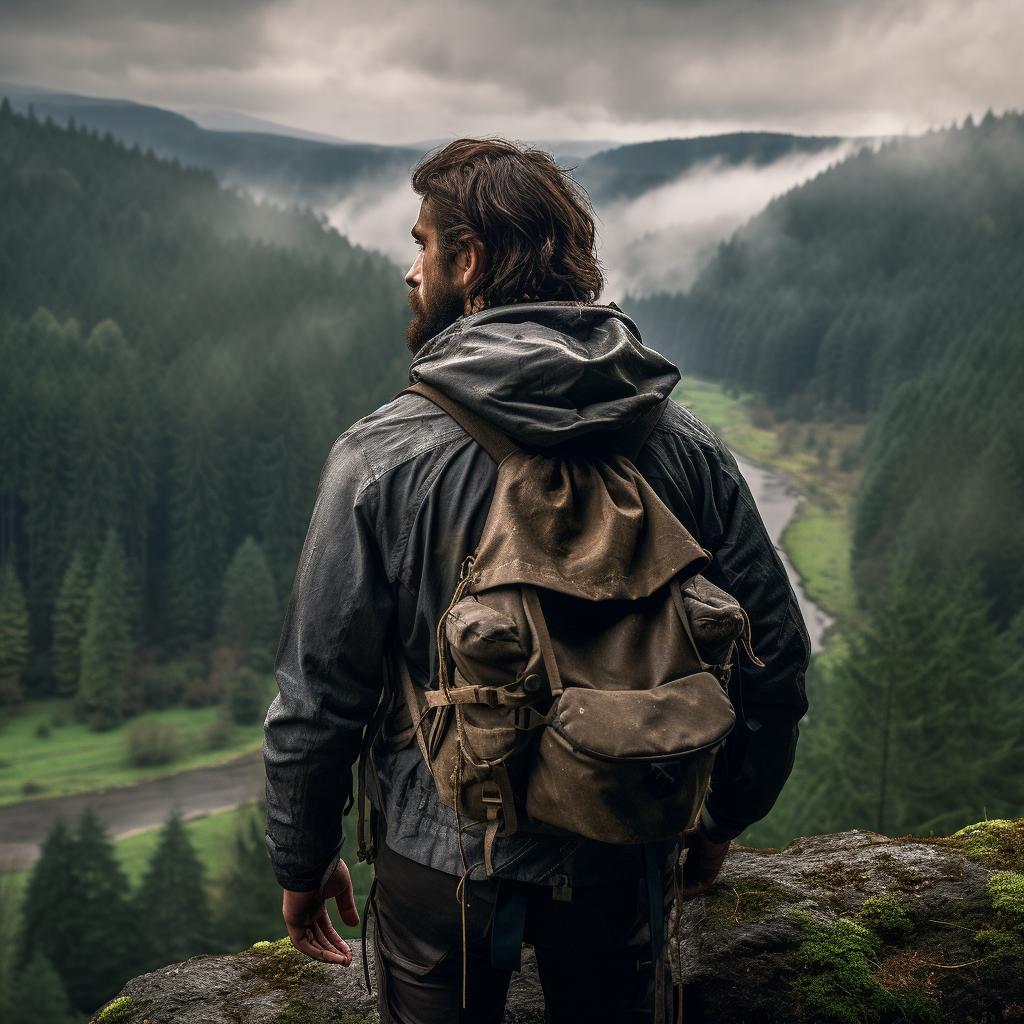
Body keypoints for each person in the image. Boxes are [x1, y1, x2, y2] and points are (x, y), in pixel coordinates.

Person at [264, 137, 810, 1024]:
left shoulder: (382, 457)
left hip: (442, 860)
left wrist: (300, 857)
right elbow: (774, 660)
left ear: (468, 262)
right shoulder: (685, 444)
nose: (411, 271)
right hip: (628, 840)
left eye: (421, 245)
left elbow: (319, 695)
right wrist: (719, 820)